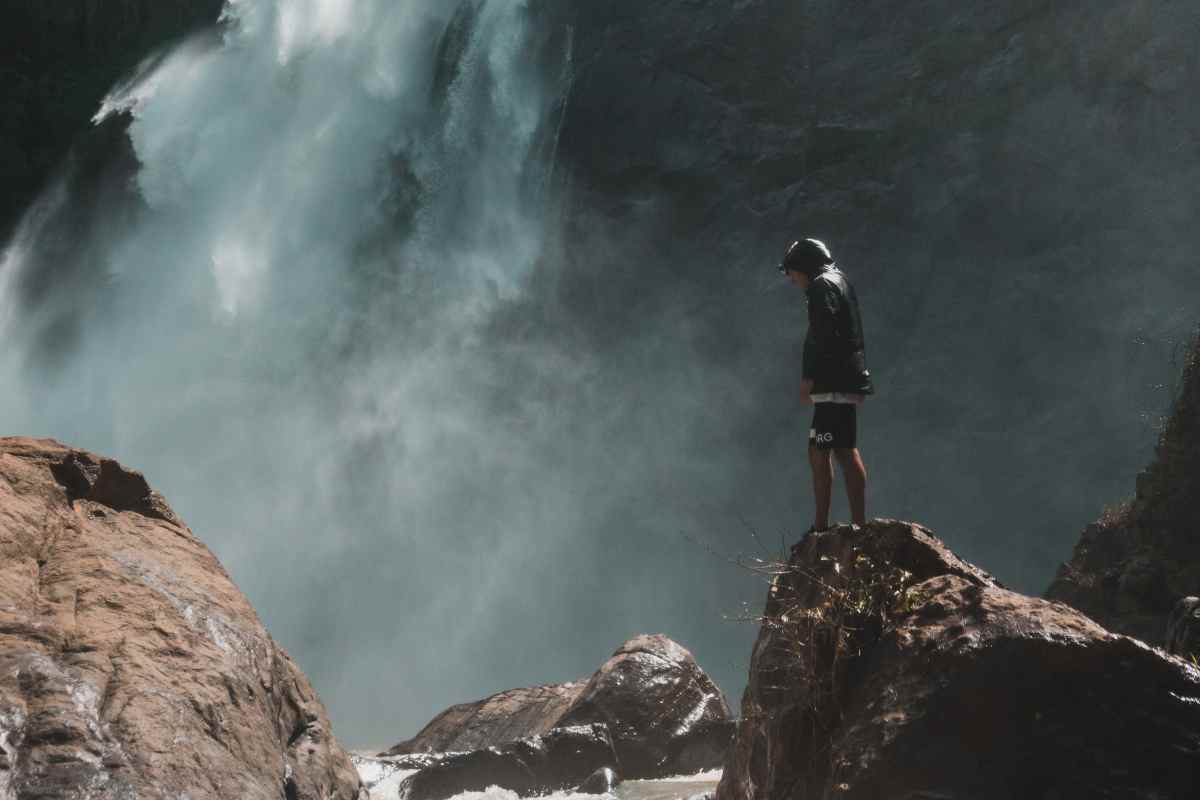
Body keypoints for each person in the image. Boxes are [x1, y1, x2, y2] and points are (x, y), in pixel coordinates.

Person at [778, 238, 874, 532]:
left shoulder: (821, 286)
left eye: (790, 272)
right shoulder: (840, 279)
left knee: (819, 450)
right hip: (849, 377)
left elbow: (822, 333)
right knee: (844, 448)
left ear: (804, 266)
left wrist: (809, 377)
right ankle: (860, 526)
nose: (791, 279)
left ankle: (820, 528)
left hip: (832, 381)